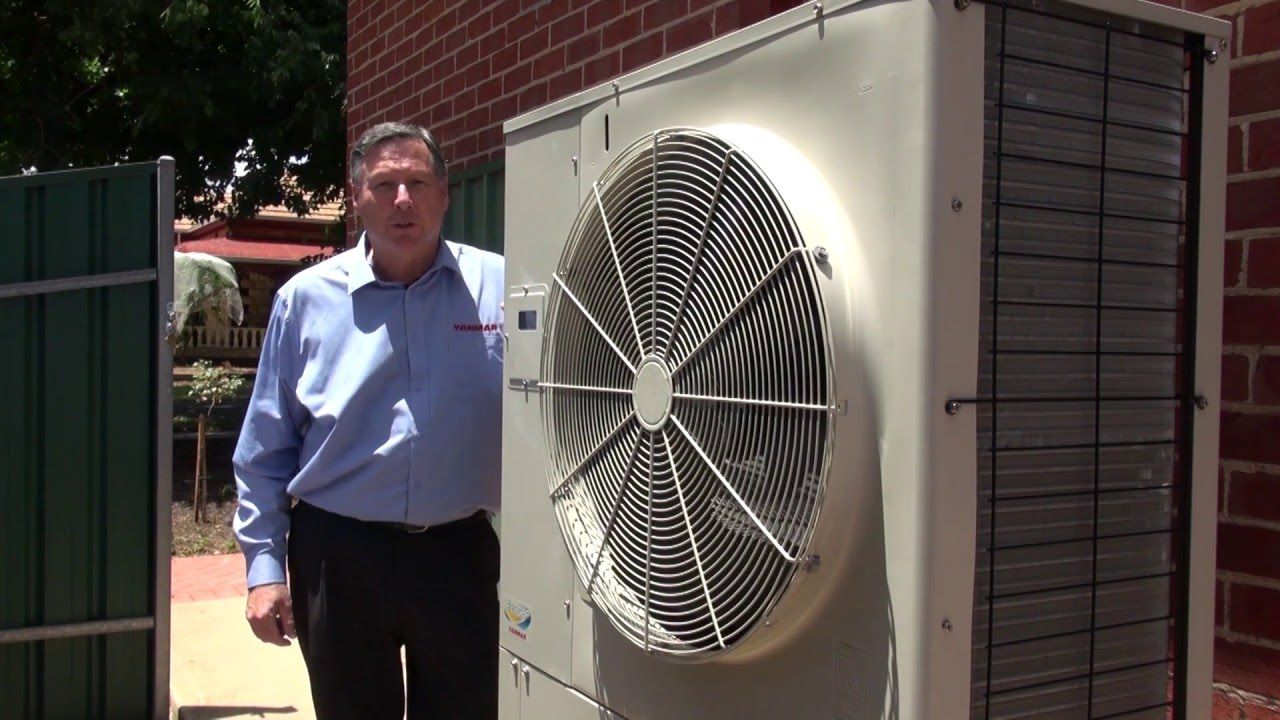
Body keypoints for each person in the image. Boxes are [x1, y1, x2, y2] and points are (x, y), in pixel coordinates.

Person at [232, 121, 503, 719]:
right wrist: (263, 570)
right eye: (384, 185)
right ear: (357, 198)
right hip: (340, 557)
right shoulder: (304, 302)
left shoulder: (502, 288)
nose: (402, 199)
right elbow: (264, 450)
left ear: (444, 194)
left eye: (417, 182)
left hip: (459, 555)